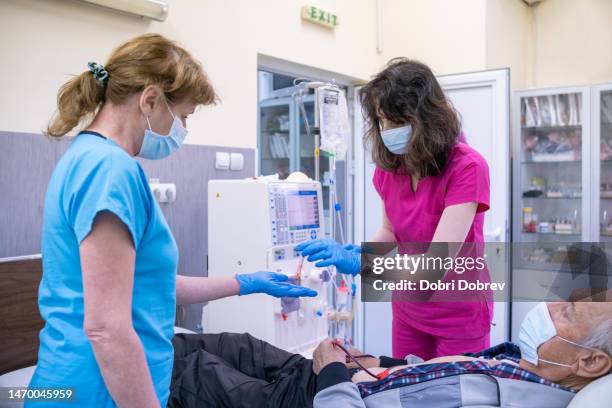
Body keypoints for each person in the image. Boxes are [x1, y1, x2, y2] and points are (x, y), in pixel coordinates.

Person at [26, 34, 316, 408]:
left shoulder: (88, 158)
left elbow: (151, 284)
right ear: (149, 100)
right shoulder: (110, 171)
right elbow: (106, 330)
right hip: (97, 391)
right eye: (182, 116)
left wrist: (245, 283)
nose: (182, 128)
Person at [297, 58, 492, 360]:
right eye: (381, 120)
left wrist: (363, 267)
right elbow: (390, 230)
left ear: (427, 117)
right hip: (408, 308)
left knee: (453, 395)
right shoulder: (390, 169)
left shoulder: (467, 167)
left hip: (458, 313)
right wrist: (361, 253)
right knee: (406, 389)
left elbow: (435, 266)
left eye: (397, 121)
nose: (387, 130)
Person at [165, 302, 611, 408]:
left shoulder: (496, 400)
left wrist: (335, 372)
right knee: (235, 344)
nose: (547, 309)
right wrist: (375, 361)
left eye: (566, 312)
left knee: (193, 373)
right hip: (341, 376)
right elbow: (437, 376)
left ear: (590, 362)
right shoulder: (518, 366)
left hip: (322, 397)